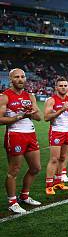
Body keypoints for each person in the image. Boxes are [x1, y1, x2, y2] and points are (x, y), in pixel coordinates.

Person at [0, 68, 42, 214]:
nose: (20, 79)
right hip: (15, 135)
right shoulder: (4, 96)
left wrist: (31, 113)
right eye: (16, 77)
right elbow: (0, 119)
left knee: (36, 168)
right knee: (14, 171)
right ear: (10, 80)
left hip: (30, 134)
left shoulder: (30, 96)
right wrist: (20, 116)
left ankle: (24, 196)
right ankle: (12, 202)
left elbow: (38, 117)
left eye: (22, 76)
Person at [44, 77, 68, 195]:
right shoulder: (51, 100)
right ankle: (49, 185)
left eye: (65, 85)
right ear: (56, 87)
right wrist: (62, 109)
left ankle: (58, 182)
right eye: (61, 85)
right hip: (56, 131)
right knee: (54, 159)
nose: (63, 87)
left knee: (63, 158)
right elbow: (46, 117)